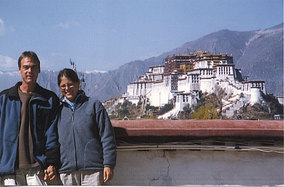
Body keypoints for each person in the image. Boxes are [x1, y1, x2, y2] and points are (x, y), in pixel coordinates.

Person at [0, 51, 60, 185]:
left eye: (33, 67)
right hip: (9, 170)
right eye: (26, 67)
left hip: (37, 169)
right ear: (19, 69)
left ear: (39, 70)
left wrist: (51, 162)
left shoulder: (49, 99)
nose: (29, 71)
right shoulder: (4, 99)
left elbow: (52, 134)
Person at [57, 68, 116, 185]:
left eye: (70, 84)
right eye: (63, 86)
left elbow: (107, 137)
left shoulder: (94, 106)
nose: (67, 89)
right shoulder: (57, 110)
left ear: (78, 83)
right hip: (66, 172)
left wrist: (108, 164)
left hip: (93, 171)